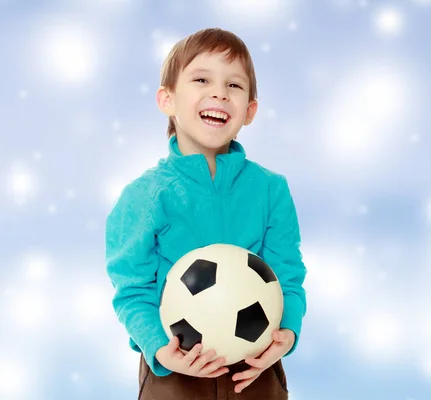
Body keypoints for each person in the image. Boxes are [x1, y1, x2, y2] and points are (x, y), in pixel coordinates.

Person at [105, 27, 307, 400]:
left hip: (255, 366)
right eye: (201, 79)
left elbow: (288, 275)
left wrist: (288, 332)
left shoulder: (270, 189)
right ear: (167, 99)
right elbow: (131, 289)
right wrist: (159, 349)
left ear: (249, 111)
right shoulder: (143, 197)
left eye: (234, 85)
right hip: (174, 369)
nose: (219, 93)